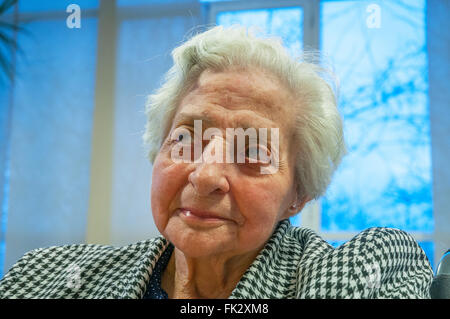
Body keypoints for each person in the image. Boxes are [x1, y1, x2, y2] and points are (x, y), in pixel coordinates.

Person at [0, 25, 433, 299]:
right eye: (186, 138)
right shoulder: (49, 277)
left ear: (297, 194)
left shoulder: (353, 273)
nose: (205, 175)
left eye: (251, 152)